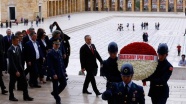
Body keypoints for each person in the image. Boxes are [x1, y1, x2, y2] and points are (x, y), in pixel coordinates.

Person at [7, 35, 34, 101]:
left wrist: (21, 68)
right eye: (17, 41)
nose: (18, 42)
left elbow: (19, 59)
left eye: (18, 41)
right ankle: (11, 96)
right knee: (12, 83)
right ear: (13, 41)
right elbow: (12, 62)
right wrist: (16, 71)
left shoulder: (18, 47)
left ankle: (26, 95)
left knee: (24, 82)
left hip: (20, 68)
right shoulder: (10, 50)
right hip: (13, 69)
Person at [47, 38, 67, 104]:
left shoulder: (59, 51)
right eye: (56, 44)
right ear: (53, 45)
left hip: (61, 71)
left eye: (58, 44)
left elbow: (62, 62)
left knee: (64, 83)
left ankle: (55, 93)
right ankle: (57, 98)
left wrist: (64, 70)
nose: (57, 46)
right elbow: (50, 65)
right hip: (55, 72)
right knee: (55, 86)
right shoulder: (50, 53)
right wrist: (53, 74)